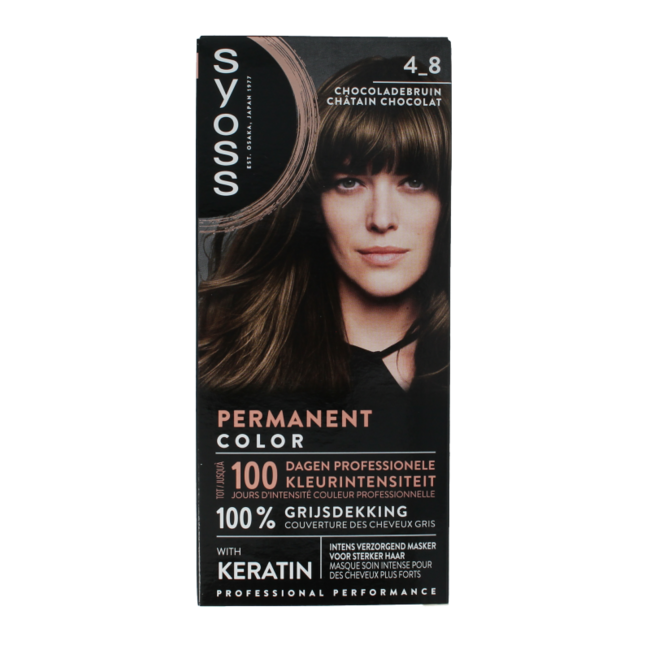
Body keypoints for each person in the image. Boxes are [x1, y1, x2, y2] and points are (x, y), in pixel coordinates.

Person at [198, 56, 450, 406]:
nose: (381, 219)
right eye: (349, 183)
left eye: (414, 182)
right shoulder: (231, 375)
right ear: (314, 203)